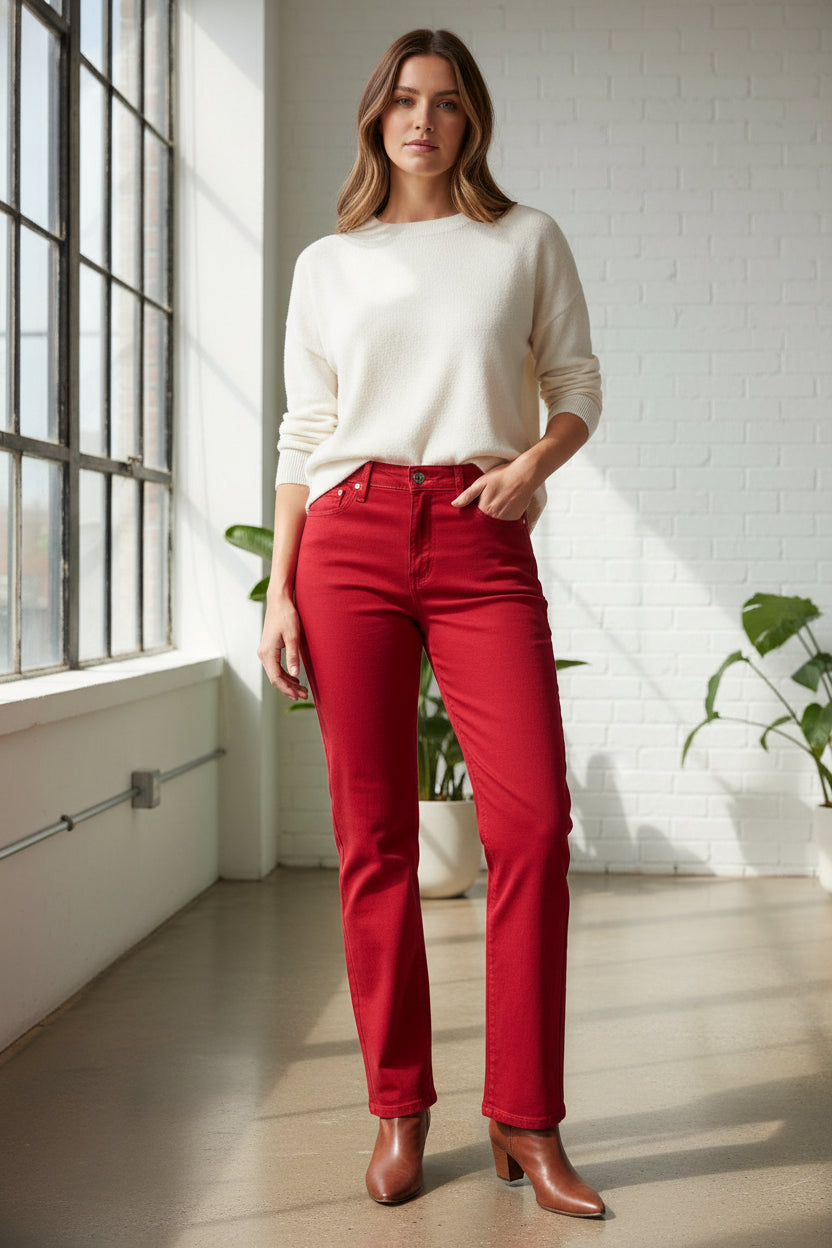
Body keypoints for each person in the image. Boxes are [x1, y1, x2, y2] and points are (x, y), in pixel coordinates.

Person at [258, 27, 605, 1219]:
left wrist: (531, 468)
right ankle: (398, 1108)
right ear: (375, 117)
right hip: (347, 541)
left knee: (533, 823)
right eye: (403, 100)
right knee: (373, 838)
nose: (423, 120)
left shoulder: (524, 240)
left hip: (477, 533)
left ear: (472, 121)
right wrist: (277, 593)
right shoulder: (328, 262)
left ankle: (524, 1116)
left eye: (446, 103)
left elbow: (577, 385)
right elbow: (306, 433)